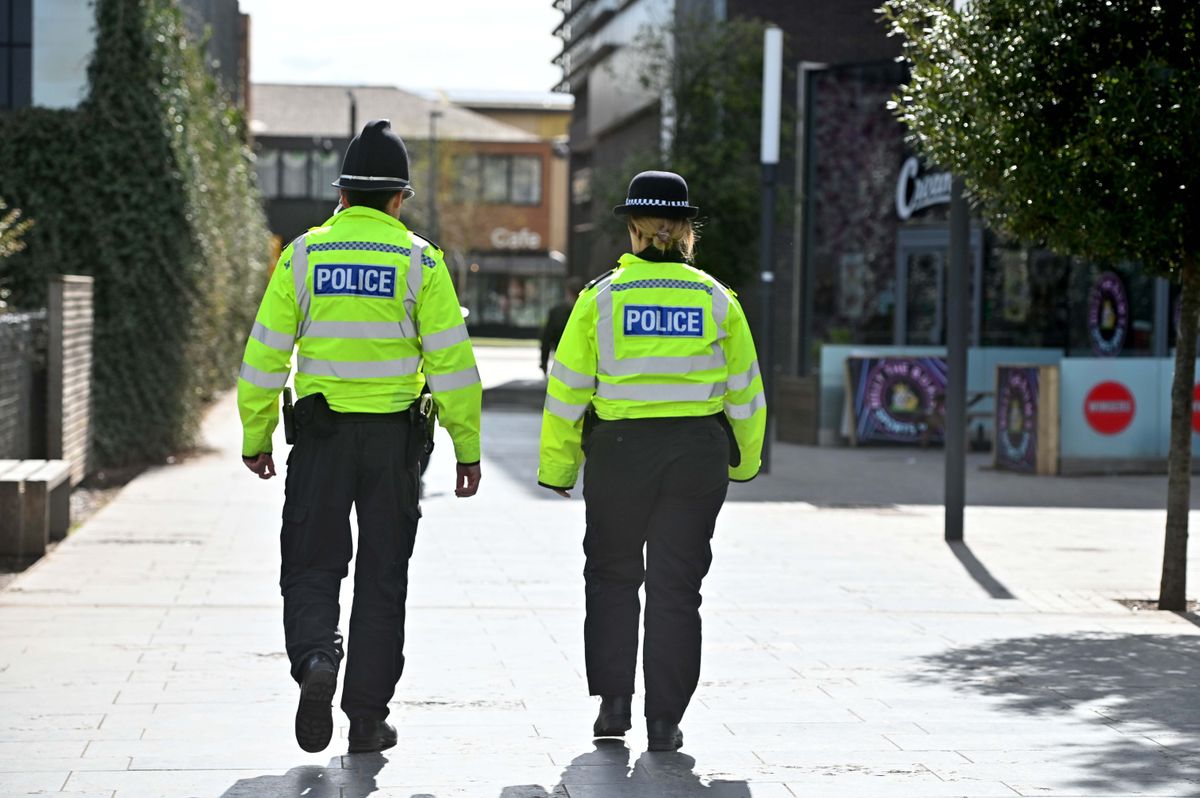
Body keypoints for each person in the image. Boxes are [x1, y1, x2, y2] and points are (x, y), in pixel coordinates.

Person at [237, 120, 482, 755]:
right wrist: (468, 449)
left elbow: (264, 357)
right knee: (382, 578)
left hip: (321, 440)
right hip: (395, 445)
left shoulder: (303, 255)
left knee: (312, 563)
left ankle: (318, 658)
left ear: (342, 194)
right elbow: (454, 366)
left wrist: (257, 435)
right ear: (399, 199)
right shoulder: (421, 261)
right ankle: (367, 719)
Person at [536, 170, 766, 751]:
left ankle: (613, 707)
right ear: (686, 231)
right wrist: (744, 462)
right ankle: (665, 721)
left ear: (634, 229)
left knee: (612, 575)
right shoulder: (717, 299)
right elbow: (746, 393)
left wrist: (559, 467)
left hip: (620, 453)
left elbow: (567, 391)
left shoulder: (600, 299)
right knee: (677, 587)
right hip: (696, 455)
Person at [540, 277, 586, 375]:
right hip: (585, 364)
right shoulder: (589, 310)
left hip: (562, 361)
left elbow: (546, 339)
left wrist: (544, 363)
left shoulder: (556, 312)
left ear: (568, 292)